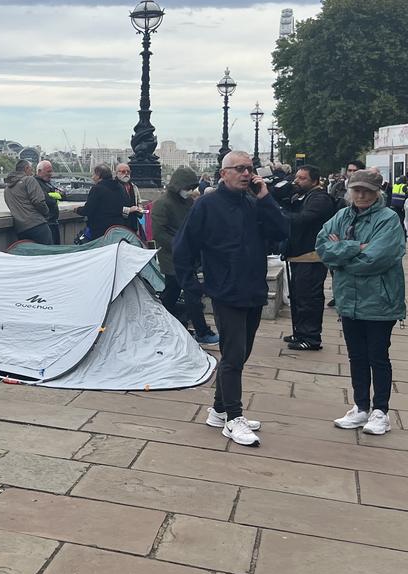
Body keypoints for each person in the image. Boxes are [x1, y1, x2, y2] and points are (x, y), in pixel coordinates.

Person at [174, 151, 289, 446]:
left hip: (252, 287)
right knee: (234, 354)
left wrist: (265, 198)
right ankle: (233, 417)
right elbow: (183, 246)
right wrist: (190, 286)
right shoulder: (207, 205)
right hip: (225, 290)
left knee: (240, 352)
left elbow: (281, 232)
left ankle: (218, 410)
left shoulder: (254, 203)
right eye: (239, 169)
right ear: (223, 173)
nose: (246, 173)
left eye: (249, 168)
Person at [317, 168, 406, 436]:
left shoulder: (388, 219)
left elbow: (377, 259)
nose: (361, 195)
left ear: (377, 192)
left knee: (378, 356)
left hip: (380, 300)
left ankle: (381, 411)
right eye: (357, 190)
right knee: (356, 356)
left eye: (367, 190)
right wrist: (357, 247)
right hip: (349, 299)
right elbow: (322, 247)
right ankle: (360, 407)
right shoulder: (342, 216)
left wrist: (341, 253)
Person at [151, 166, 218, 345]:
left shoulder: (187, 203)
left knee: (171, 293)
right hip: (172, 257)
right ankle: (202, 331)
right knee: (191, 293)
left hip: (186, 255)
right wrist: (182, 247)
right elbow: (159, 234)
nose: (189, 191)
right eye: (187, 187)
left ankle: (162, 323)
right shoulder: (162, 203)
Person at [283, 165, 338, 351]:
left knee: (309, 298)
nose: (296, 181)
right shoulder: (305, 196)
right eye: (296, 177)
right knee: (298, 296)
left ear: (315, 181)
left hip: (312, 256)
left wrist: (281, 215)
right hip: (300, 255)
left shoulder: (320, 199)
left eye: (302, 178)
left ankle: (311, 337)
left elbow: (303, 219)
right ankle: (301, 332)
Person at [79, 164, 141, 238]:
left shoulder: (97, 189)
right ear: (116, 173)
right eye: (123, 172)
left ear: (98, 175)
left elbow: (88, 209)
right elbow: (119, 208)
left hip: (101, 229)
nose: (126, 174)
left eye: (128, 172)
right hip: (120, 227)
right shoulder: (120, 187)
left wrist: (77, 210)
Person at [3, 159, 52, 244]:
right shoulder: (29, 180)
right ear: (26, 168)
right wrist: (47, 213)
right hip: (37, 225)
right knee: (48, 254)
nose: (32, 172)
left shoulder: (7, 190)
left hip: (20, 229)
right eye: (31, 169)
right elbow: (39, 202)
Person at [35, 160, 64, 244]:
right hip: (46, 223)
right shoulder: (35, 183)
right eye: (48, 171)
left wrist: (53, 196)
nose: (50, 174)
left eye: (51, 171)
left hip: (53, 221)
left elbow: (63, 195)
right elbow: (46, 199)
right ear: (39, 171)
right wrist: (55, 197)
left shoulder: (49, 183)